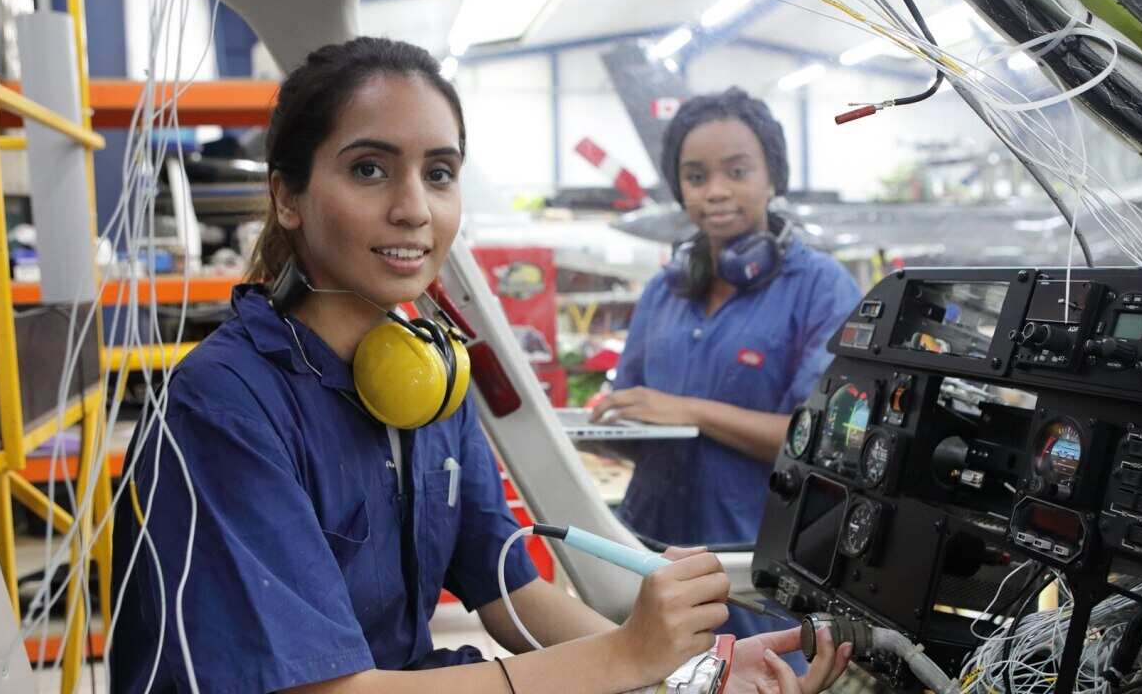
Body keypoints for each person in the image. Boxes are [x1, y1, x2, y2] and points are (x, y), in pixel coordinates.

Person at [108, 39, 850, 693]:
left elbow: (508, 589)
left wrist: (690, 671)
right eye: (369, 169)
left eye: (439, 173)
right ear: (288, 195)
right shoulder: (221, 408)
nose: (414, 209)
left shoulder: (430, 382)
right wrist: (627, 656)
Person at [591, 87, 863, 643]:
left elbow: (816, 443)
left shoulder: (820, 288)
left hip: (747, 569)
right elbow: (634, 413)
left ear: (772, 177)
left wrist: (688, 410)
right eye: (695, 177)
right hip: (649, 554)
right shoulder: (663, 292)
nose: (715, 192)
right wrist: (594, 427)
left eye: (737, 171)